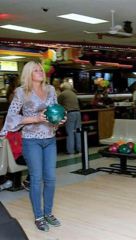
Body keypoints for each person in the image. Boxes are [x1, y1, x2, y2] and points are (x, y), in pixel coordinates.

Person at [0, 61, 65, 231]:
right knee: (36, 179)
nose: (40, 72)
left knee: (50, 178)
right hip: (31, 140)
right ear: (29, 74)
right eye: (36, 70)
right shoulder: (21, 92)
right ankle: (38, 216)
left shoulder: (51, 90)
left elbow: (54, 112)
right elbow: (11, 117)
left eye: (41, 70)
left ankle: (48, 213)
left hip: (50, 139)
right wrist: (35, 119)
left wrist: (59, 120)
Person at [58, 82, 81, 154]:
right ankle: (79, 149)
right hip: (78, 113)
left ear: (62, 88)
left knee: (70, 133)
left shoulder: (62, 94)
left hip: (70, 113)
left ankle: (70, 150)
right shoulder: (73, 93)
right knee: (77, 132)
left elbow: (57, 104)